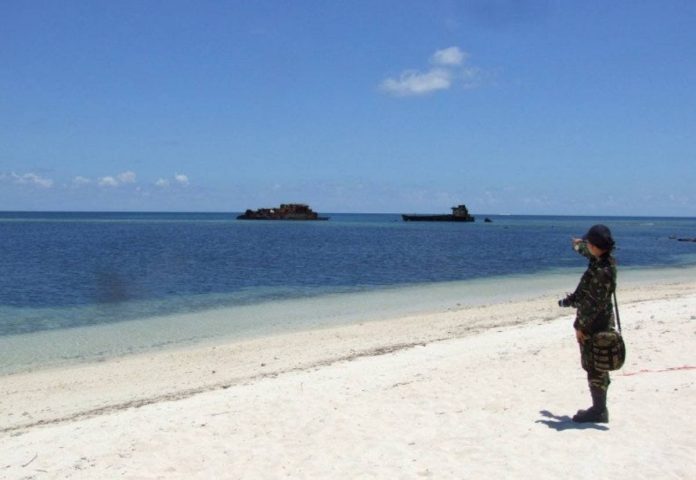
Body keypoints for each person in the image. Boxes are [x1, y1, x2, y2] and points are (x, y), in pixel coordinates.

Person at [559, 224, 617, 423]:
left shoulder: (602, 272)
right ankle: (599, 408)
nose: (587, 246)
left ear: (595, 246)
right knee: (598, 365)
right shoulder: (603, 260)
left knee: (595, 366)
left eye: (588, 243)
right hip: (601, 320)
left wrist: (580, 327)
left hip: (594, 324)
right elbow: (588, 252)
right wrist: (577, 245)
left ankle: (599, 410)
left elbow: (593, 305)